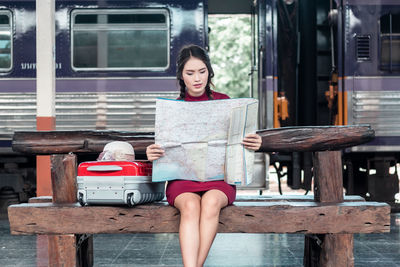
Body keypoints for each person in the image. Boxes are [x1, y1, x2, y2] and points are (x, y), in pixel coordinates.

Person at [146, 44, 262, 267]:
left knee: (210, 203)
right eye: (190, 73)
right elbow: (164, 148)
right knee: (190, 207)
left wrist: (255, 141)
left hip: (219, 180)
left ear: (209, 71)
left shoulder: (224, 101)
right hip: (182, 181)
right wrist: (153, 152)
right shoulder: (174, 108)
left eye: (202, 71)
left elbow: (240, 139)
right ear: (181, 76)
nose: (197, 78)